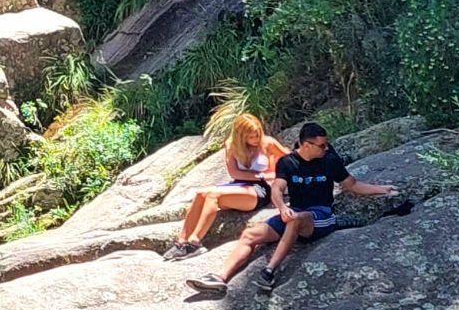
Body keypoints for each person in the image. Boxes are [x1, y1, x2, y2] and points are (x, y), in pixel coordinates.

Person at [184, 121, 399, 295]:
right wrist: (281, 208)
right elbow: (277, 189)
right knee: (250, 234)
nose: (325, 148)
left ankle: (269, 272)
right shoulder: (287, 163)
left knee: (296, 219)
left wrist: (381, 189)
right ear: (306, 145)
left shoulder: (330, 160)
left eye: (325, 145)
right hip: (293, 212)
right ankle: (219, 278)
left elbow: (352, 185)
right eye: (321, 145)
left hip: (320, 216)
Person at [170, 111, 280, 256]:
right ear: (241, 136)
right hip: (239, 184)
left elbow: (289, 159)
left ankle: (194, 242)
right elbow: (234, 173)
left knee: (213, 196)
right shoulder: (232, 145)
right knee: (201, 194)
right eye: (250, 137)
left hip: (260, 189)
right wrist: (258, 175)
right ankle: (181, 242)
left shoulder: (268, 143)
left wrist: (270, 176)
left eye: (257, 135)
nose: (255, 139)